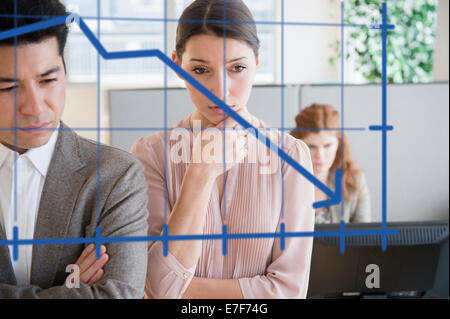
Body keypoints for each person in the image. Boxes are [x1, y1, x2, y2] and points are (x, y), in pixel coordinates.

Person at [131, 0, 315, 299]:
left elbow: (288, 292)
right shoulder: (150, 154)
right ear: (178, 65)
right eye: (201, 69)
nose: (219, 90)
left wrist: (181, 290)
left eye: (237, 68)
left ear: (257, 61)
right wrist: (200, 173)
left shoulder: (289, 157)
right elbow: (157, 286)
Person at [0, 0, 148, 298]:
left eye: (48, 80)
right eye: (7, 88)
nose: (35, 107)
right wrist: (69, 291)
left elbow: (119, 295)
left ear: (65, 67)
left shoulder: (116, 176)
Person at [290, 103, 371, 224]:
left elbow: (363, 238)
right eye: (311, 146)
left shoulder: (354, 181)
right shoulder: (282, 181)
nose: (320, 156)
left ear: (339, 143)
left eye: (327, 146)